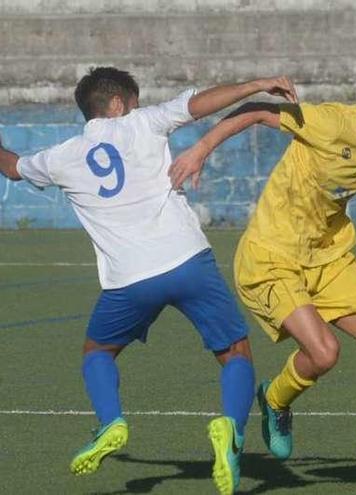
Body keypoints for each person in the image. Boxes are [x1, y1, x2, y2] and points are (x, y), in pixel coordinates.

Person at [0, 67, 296, 494]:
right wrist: (255, 85)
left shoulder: (61, 156)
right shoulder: (143, 122)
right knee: (235, 352)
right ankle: (230, 427)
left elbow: (11, 167)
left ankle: (111, 421)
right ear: (120, 104)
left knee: (97, 351)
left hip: (129, 279)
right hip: (187, 260)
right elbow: (201, 103)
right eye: (134, 101)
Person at [169, 63, 356, 484]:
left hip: (327, 256)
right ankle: (274, 400)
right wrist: (200, 150)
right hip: (272, 256)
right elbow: (256, 110)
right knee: (324, 353)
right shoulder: (329, 122)